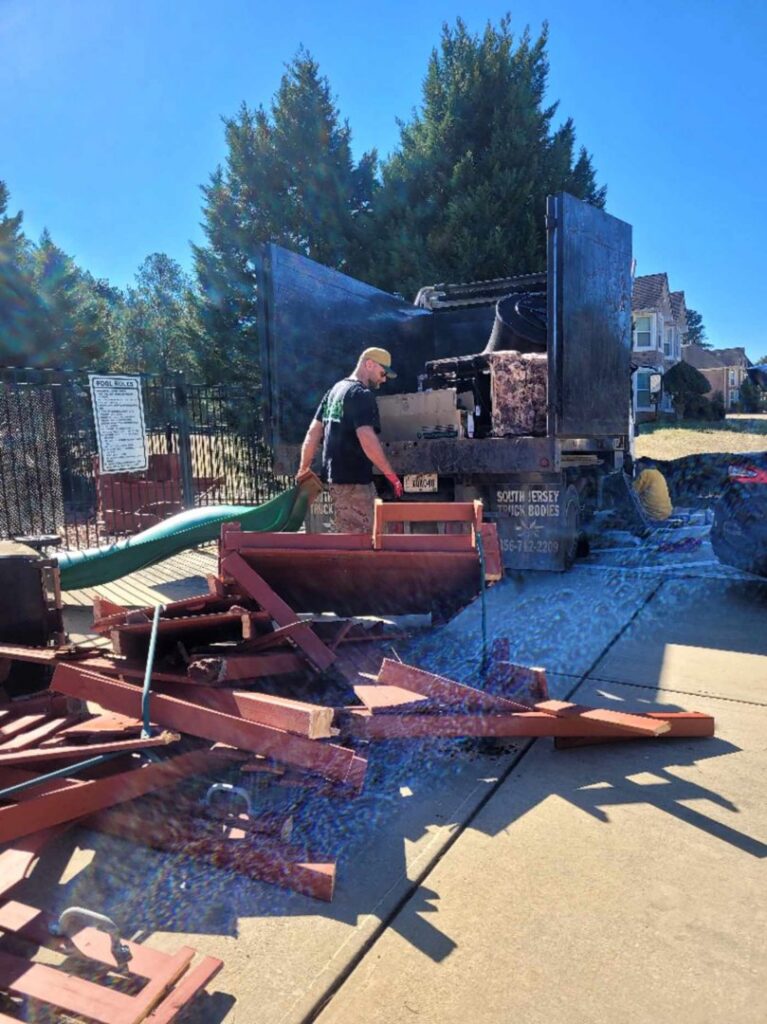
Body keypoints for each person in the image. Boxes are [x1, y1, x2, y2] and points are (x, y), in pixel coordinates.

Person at [296, 347, 404, 533]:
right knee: (367, 538)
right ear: (369, 364)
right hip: (355, 483)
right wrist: (391, 475)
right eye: (383, 372)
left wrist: (303, 469)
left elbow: (313, 433)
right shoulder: (361, 394)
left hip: (335, 480)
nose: (384, 378)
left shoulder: (333, 392)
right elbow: (367, 438)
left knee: (348, 535)